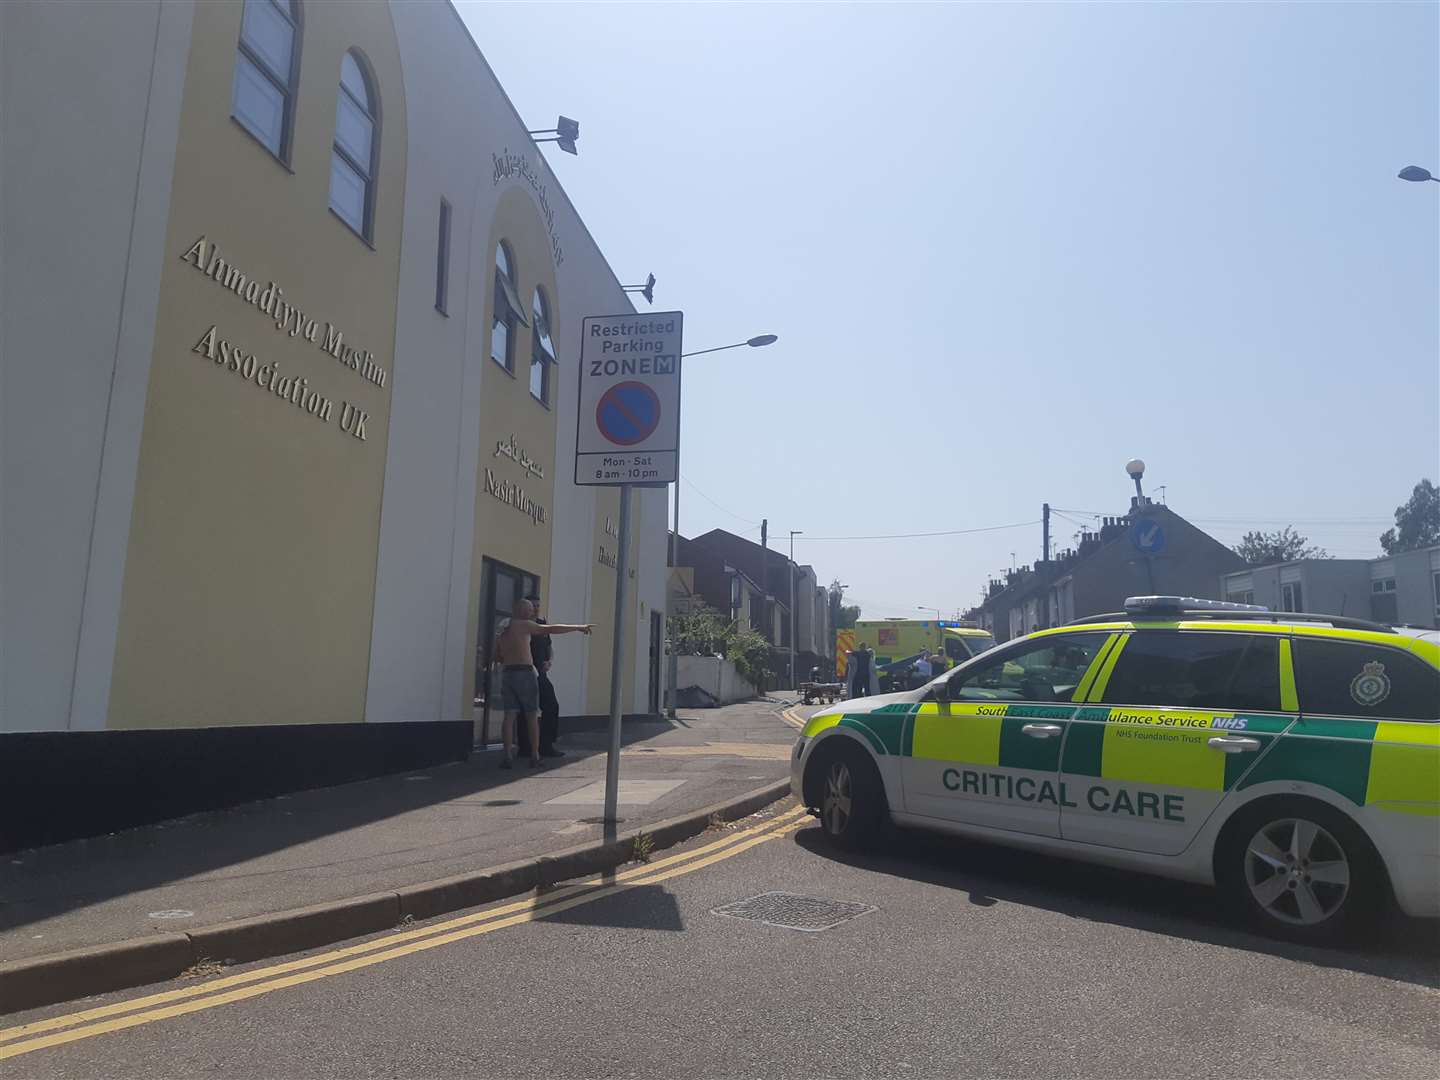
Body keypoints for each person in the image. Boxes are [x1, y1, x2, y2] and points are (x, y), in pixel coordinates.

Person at [494, 600, 591, 769]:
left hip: (507, 673)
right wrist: (577, 627)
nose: (533, 613)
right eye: (530, 610)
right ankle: (535, 755)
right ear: (523, 611)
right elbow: (551, 629)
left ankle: (507, 755)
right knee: (532, 715)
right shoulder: (524, 625)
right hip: (524, 672)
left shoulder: (502, 627)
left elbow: (497, 655)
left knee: (509, 716)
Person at [517, 593, 566, 759]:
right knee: (525, 709)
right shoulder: (523, 626)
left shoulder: (543, 625)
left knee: (551, 706)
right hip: (526, 673)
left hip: (541, 673)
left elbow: (550, 647)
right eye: (533, 606)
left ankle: (546, 745)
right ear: (526, 608)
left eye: (538, 605)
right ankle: (524, 748)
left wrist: (549, 662)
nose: (536, 609)